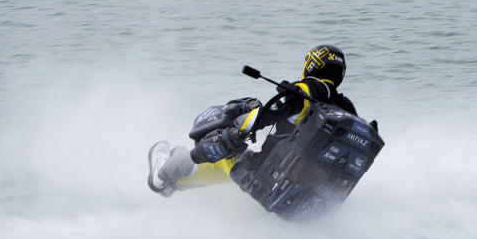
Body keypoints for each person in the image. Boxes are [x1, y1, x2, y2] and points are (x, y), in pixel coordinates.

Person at [147, 45, 357, 197]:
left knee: (223, 153)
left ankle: (163, 173)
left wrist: (234, 132)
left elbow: (260, 119)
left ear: (312, 65)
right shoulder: (347, 109)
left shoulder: (303, 91)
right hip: (301, 188)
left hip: (268, 174)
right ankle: (176, 183)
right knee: (232, 164)